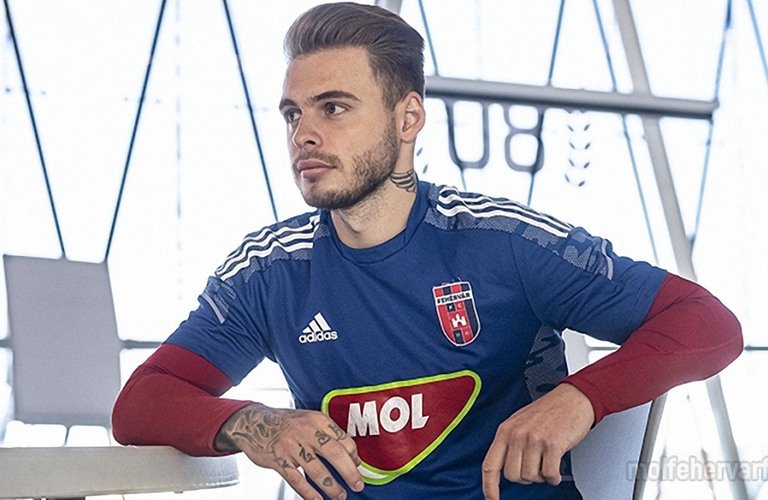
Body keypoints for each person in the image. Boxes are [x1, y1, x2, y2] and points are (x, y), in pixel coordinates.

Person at [111, 3, 743, 499]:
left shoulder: (503, 243)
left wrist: (581, 397)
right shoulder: (270, 272)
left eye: (334, 108)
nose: (304, 133)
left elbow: (707, 323)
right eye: (293, 114)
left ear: (407, 118)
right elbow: (141, 403)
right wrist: (258, 423)